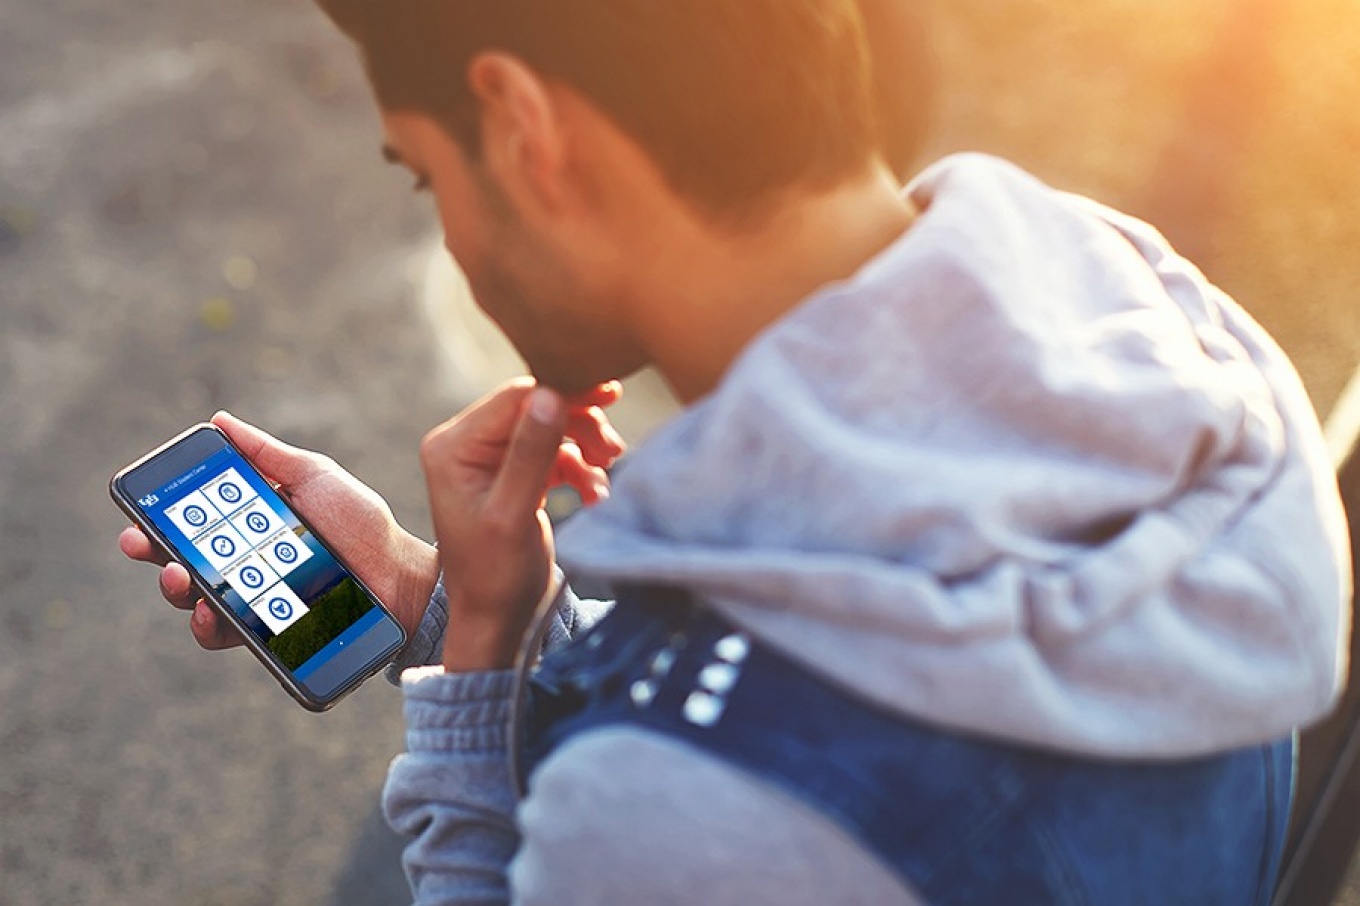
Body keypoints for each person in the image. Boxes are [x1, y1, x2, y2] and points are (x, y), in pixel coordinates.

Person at [119, 1, 1352, 903]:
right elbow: (855, 667)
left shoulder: (681, 816)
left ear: (524, 129)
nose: (449, 234)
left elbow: (731, 781)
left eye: (426, 179)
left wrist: (477, 680)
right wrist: (434, 598)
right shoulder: (1159, 326)